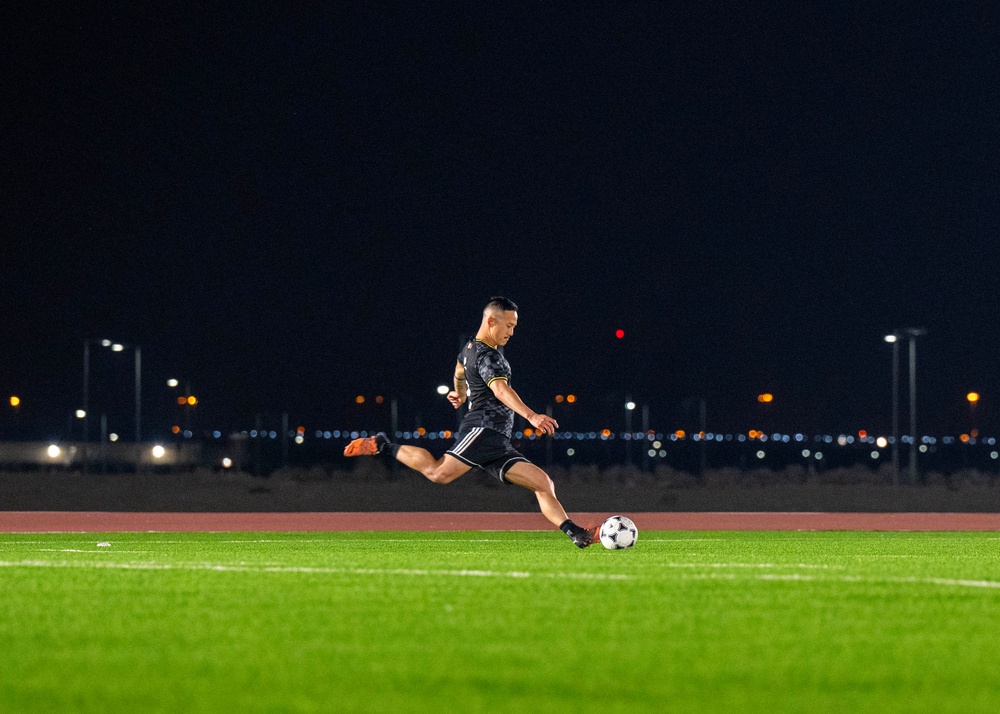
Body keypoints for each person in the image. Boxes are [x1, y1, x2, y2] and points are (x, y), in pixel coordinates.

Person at [344, 296, 597, 547]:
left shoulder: (469, 349)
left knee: (542, 483)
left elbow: (458, 371)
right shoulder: (490, 357)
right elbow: (500, 390)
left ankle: (575, 533)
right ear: (490, 321)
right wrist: (532, 416)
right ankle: (383, 444)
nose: (511, 332)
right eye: (508, 325)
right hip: (483, 430)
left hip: (497, 441)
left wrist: (461, 392)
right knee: (438, 473)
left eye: (514, 326)